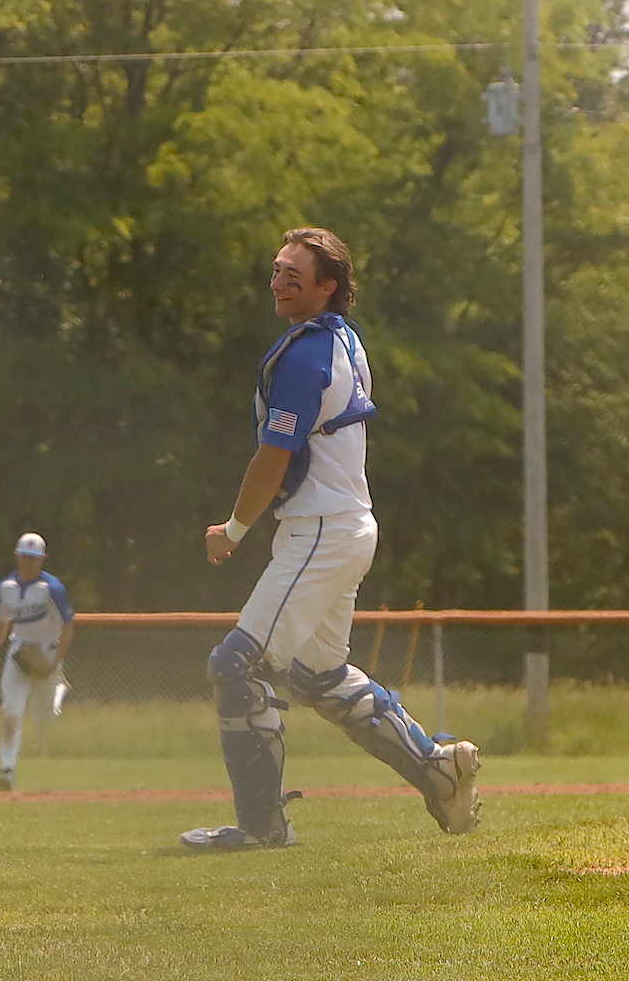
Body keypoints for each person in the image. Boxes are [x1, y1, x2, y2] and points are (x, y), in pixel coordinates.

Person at [180, 227, 481, 851]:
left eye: (295, 275)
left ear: (328, 287)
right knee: (319, 675)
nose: (279, 282)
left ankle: (262, 828)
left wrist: (232, 530)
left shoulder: (305, 357)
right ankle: (438, 770)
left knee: (235, 665)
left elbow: (274, 456)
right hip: (344, 526)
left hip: (320, 531)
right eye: (276, 270)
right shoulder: (342, 339)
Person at [0, 532, 74, 792]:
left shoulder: (53, 588)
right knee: (11, 710)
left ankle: (59, 689)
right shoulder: (7, 587)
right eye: (24, 556)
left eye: (33, 557)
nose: (28, 562)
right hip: (19, 651)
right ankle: (7, 769)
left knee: (43, 718)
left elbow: (68, 627)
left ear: (43, 559)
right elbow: (2, 622)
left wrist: (55, 662)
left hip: (47, 650)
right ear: (16, 556)